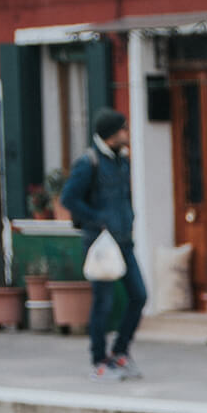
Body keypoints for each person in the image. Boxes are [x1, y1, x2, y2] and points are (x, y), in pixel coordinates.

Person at [60, 108, 147, 380]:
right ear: (111, 134)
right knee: (103, 304)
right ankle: (98, 361)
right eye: (122, 128)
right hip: (99, 244)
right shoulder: (89, 162)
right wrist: (99, 219)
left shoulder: (123, 161)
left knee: (139, 295)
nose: (126, 132)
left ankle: (120, 352)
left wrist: (128, 218)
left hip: (123, 241)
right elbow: (68, 199)